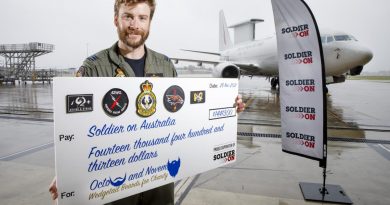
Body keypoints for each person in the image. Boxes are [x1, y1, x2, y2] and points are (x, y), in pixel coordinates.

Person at [49, 0, 245, 204]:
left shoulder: (166, 66)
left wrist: (226, 109)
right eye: (128, 16)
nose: (135, 25)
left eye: (142, 18)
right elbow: (75, 127)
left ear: (150, 22)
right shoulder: (94, 68)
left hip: (158, 186)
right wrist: (66, 173)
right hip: (115, 187)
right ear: (116, 20)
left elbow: (183, 116)